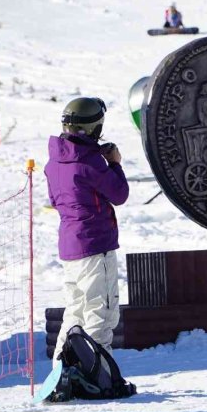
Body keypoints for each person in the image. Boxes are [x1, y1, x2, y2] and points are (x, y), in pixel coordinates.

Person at [46, 97, 129, 361]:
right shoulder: (91, 163)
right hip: (95, 246)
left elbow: (55, 200)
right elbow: (119, 194)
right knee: (100, 313)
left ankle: (62, 368)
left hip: (70, 246)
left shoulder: (54, 162)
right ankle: (97, 371)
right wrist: (114, 163)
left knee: (75, 312)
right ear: (95, 127)